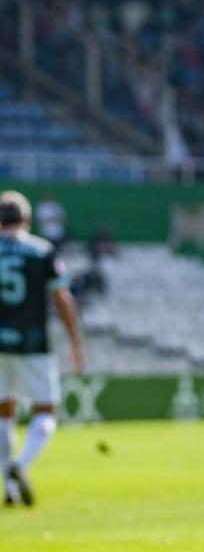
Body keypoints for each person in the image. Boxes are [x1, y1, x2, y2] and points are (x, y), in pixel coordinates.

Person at [0, 190, 84, 507]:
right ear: (27, 220)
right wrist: (75, 341)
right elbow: (62, 298)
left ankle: (8, 485)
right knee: (45, 411)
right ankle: (19, 465)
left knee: (3, 412)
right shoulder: (41, 250)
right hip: (33, 343)